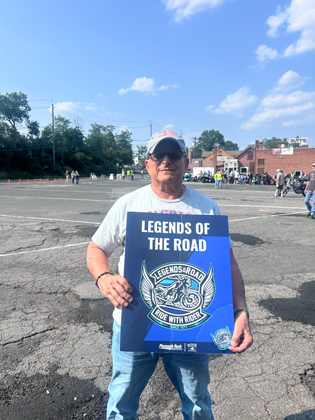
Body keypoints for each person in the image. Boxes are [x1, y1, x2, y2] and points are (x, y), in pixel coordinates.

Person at [87, 130, 253, 420]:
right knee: (121, 402)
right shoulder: (128, 204)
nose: (166, 160)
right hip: (134, 320)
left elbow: (229, 264)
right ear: (148, 164)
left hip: (191, 329)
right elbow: (96, 249)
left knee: (197, 402)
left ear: (186, 161)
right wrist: (104, 278)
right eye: (158, 155)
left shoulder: (206, 207)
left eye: (173, 155)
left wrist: (240, 311)